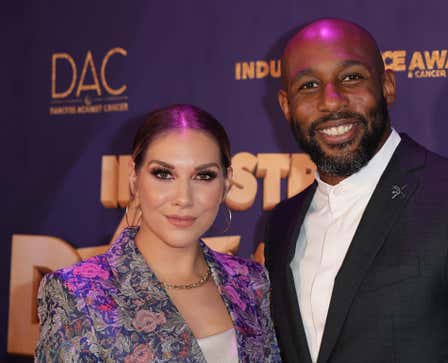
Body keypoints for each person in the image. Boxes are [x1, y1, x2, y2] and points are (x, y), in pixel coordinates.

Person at [264, 18, 448, 363]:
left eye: (351, 77)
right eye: (309, 85)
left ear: (387, 85)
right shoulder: (282, 225)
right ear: (285, 105)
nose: (331, 101)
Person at [35, 104, 281, 362]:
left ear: (227, 183)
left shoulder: (250, 282)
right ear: (134, 178)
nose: (183, 198)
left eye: (204, 176)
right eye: (163, 174)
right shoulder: (76, 292)